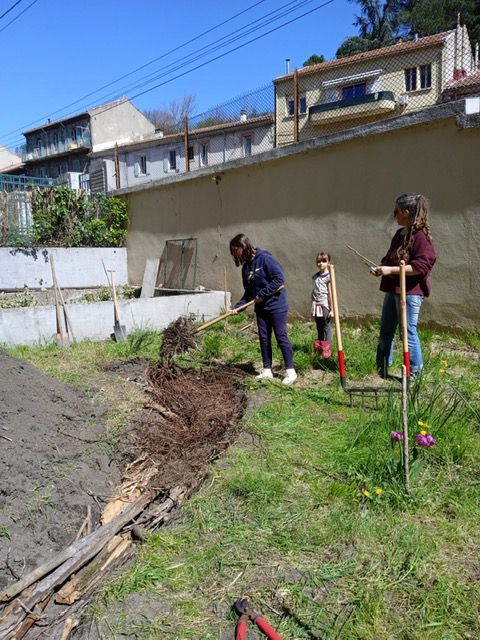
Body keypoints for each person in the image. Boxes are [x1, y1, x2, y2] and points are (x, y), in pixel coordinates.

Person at [371, 193, 436, 378]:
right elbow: (390, 257)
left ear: (406, 212)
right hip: (393, 290)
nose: (394, 215)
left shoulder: (421, 237)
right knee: (386, 330)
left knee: (407, 333)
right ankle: (381, 368)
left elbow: (421, 266)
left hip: (410, 293)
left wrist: (389, 270)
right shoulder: (400, 234)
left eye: (397, 211)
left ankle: (415, 374)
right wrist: (382, 267)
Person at [229, 233, 297, 385]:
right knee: (264, 338)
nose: (235, 255)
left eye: (235, 251)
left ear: (243, 247)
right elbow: (248, 294)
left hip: (276, 305)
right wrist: (237, 308)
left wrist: (262, 294)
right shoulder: (246, 267)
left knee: (280, 336)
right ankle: (267, 370)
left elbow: (279, 280)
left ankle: (290, 371)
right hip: (261, 308)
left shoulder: (265, 258)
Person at [311, 251, 332, 358]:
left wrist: (331, 309)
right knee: (319, 327)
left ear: (328, 262)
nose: (321, 264)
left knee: (326, 327)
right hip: (316, 305)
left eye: (324, 261)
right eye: (319, 261)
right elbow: (314, 291)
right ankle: (319, 349)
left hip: (325, 305)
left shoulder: (329, 276)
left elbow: (331, 294)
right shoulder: (315, 277)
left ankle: (326, 352)